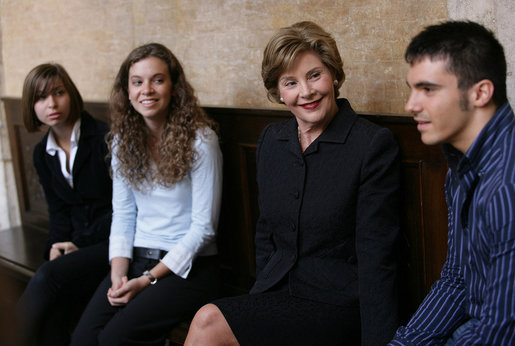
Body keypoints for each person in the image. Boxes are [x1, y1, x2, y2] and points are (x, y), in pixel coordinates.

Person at [185, 21, 400, 346]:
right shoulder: (273, 139)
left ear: (334, 74)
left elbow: (377, 254)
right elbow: (265, 233)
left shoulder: (370, 144)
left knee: (207, 322)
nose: (306, 92)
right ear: (279, 92)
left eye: (315, 75)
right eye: (291, 82)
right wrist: (259, 299)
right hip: (277, 292)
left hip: (338, 304)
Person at [70, 42, 222, 345]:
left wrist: (148, 279)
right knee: (82, 339)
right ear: (127, 91)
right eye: (137, 82)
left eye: (158, 79)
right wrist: (119, 274)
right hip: (137, 260)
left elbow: (204, 228)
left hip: (187, 268)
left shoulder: (202, 141)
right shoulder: (123, 144)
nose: (147, 90)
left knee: (114, 340)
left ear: (174, 86)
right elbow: (124, 215)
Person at [390, 21, 515, 345]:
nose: (411, 105)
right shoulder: (460, 171)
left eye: (428, 89)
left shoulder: (507, 186)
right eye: (412, 88)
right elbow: (457, 280)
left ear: (480, 92)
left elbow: (499, 331)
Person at [17, 63, 112, 346]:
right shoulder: (41, 153)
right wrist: (56, 245)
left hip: (114, 241)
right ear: (31, 106)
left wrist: (78, 244)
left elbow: (120, 209)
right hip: (78, 247)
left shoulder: (104, 138)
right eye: (41, 97)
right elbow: (58, 211)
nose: (52, 103)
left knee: (47, 277)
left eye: (58, 92)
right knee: (54, 305)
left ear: (70, 93)